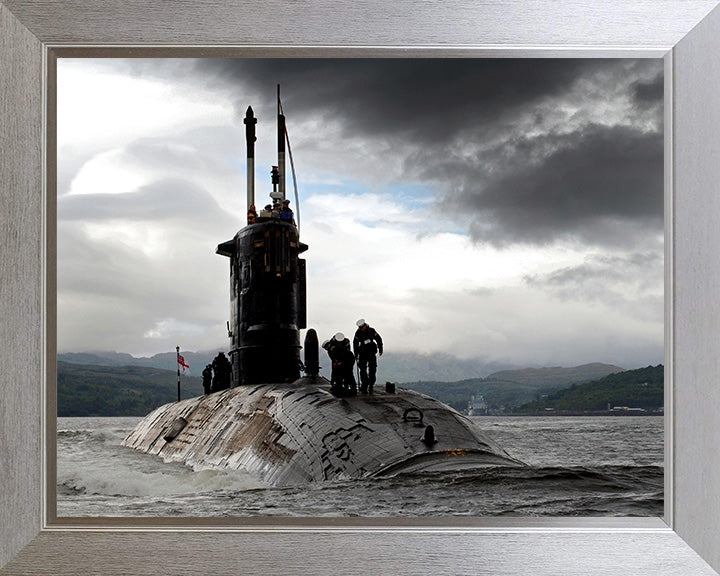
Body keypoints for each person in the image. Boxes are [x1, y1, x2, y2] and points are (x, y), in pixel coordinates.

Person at [353, 319, 383, 394]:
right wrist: (356, 354)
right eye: (360, 327)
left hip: (371, 353)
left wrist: (380, 348)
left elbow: (378, 339)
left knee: (372, 369)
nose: (361, 328)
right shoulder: (358, 333)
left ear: (365, 325)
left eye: (362, 327)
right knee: (363, 370)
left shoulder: (371, 331)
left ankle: (371, 385)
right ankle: (365, 385)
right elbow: (355, 344)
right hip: (362, 354)